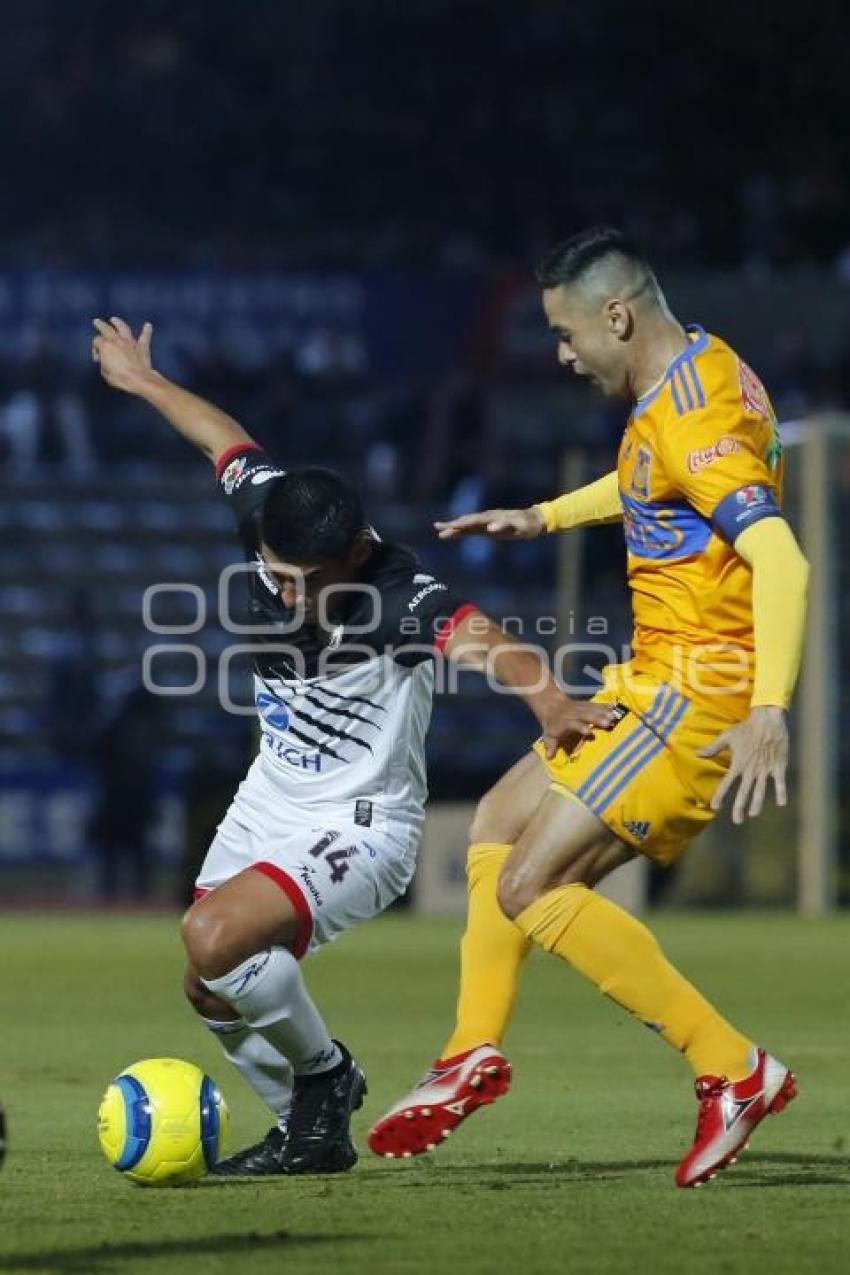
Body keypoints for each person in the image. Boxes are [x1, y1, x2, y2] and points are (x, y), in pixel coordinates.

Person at [91, 315, 613, 1178]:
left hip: (362, 824)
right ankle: (311, 1131)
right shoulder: (274, 511)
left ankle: (326, 1077)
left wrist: (551, 697)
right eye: (274, 573)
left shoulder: (397, 591)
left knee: (212, 933)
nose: (285, 593)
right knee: (205, 980)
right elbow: (225, 439)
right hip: (270, 797)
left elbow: (485, 638)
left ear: (357, 552)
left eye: (305, 580)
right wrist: (145, 382)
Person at [368, 227, 809, 1189]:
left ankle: (730, 1065)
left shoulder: (693, 421)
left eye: (567, 336)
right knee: (495, 820)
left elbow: (780, 555)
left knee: (529, 887)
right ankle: (469, 1052)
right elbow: (654, 482)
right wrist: (545, 514)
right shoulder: (701, 367)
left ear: (617, 315)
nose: (562, 357)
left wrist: (768, 708)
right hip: (651, 677)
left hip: (696, 694)